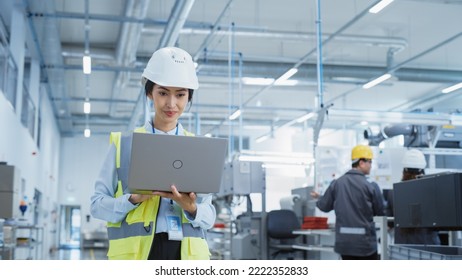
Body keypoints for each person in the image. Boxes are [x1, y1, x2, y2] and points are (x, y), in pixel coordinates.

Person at [90, 47, 216, 260]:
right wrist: (132, 199)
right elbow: (96, 205)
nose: (171, 103)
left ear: (189, 97)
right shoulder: (124, 144)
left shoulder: (198, 149)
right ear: (150, 93)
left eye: (180, 95)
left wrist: (191, 208)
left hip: (185, 257)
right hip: (138, 256)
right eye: (163, 93)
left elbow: (209, 216)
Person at [311, 145, 385, 260]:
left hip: (344, 245)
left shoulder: (337, 183)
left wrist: (319, 198)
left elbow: (323, 206)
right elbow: (380, 212)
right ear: (361, 162)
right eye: (369, 162)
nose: (371, 165)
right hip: (365, 246)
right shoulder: (371, 185)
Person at [385, 149, 440, 245]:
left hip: (403, 248)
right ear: (422, 170)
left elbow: (388, 222)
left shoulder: (393, 193)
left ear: (404, 170)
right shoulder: (433, 192)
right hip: (430, 247)